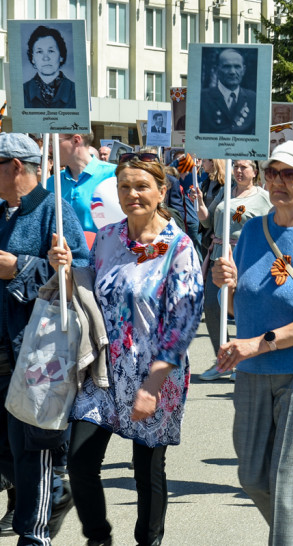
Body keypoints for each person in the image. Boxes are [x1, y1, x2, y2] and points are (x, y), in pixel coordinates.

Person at [49, 152, 204, 546]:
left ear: (161, 191)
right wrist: (64, 270)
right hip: (104, 370)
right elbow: (89, 292)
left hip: (155, 373)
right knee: (80, 462)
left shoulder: (179, 247)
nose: (132, 194)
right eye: (125, 187)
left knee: (146, 469)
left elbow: (183, 323)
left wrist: (152, 386)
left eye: (141, 186)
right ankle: (98, 538)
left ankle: (148, 541)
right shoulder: (107, 237)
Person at [210, 141, 293, 544]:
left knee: (288, 485)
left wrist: (260, 343)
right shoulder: (253, 230)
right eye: (272, 173)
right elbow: (239, 305)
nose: (277, 182)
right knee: (252, 476)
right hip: (252, 370)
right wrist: (225, 285)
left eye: (289, 174)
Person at [0, 134, 89, 545]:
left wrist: (20, 267)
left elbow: (81, 275)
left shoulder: (55, 211)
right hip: (3, 350)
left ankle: (35, 533)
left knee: (31, 449)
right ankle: (53, 490)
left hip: (35, 353)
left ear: (16, 166)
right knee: (9, 452)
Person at [196, 160, 271, 381]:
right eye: (236, 166)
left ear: (255, 172)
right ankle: (225, 360)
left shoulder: (263, 198)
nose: (238, 171)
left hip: (245, 257)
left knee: (243, 309)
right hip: (219, 256)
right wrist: (199, 203)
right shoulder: (225, 192)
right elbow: (207, 221)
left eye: (243, 167)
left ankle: (246, 359)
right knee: (211, 306)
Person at [46, 132, 118, 233]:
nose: (49, 149)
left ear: (76, 140)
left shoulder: (114, 175)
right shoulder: (51, 182)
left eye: (53, 142)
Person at [199, 48, 257, 135]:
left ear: (243, 70)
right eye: (226, 66)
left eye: (237, 67)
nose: (232, 72)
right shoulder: (202, 98)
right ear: (217, 70)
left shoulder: (253, 98)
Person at [22, 25, 76, 110]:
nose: (46, 58)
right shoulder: (22, 91)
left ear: (61, 56)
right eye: (39, 52)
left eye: (51, 51)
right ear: (33, 58)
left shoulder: (76, 91)